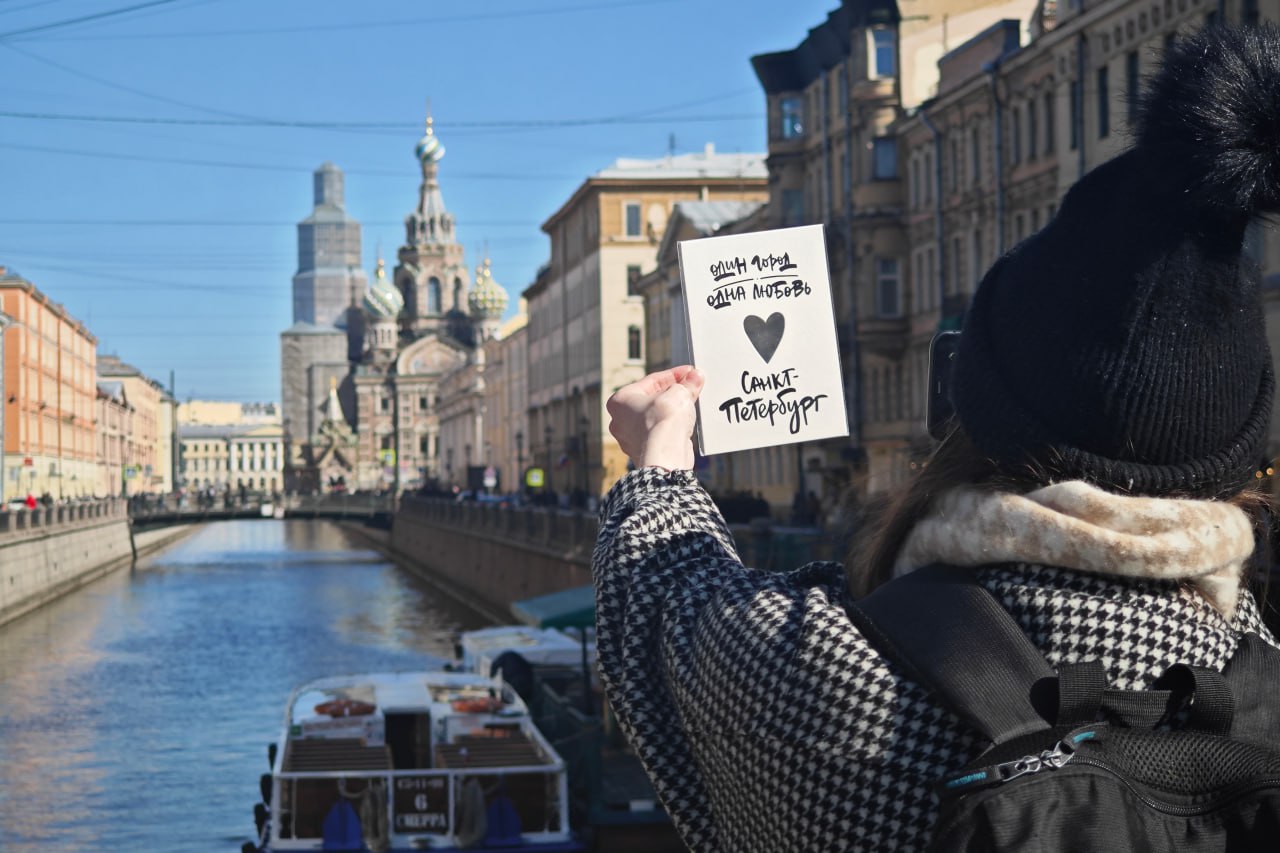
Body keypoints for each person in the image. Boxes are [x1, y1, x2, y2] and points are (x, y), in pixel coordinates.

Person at [594, 26, 1280, 852]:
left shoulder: (838, 684)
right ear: (1236, 456)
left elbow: (664, 607)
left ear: (970, 409)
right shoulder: (1261, 676)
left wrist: (660, 462)